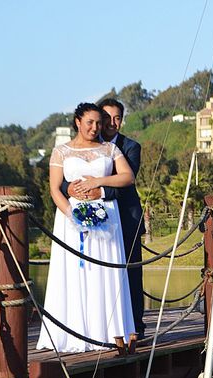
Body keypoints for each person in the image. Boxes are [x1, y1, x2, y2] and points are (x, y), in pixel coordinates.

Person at [36, 102, 136, 352]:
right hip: (72, 219)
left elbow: (127, 177)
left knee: (104, 271)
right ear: (77, 122)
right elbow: (54, 189)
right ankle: (74, 332)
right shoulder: (61, 151)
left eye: (98, 123)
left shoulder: (110, 149)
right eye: (90, 122)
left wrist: (98, 181)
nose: (95, 127)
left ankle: (107, 332)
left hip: (106, 216)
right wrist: (72, 216)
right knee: (77, 271)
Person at [62, 99, 145, 337]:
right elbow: (65, 178)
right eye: (106, 117)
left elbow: (127, 183)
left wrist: (100, 190)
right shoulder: (76, 147)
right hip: (85, 219)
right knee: (90, 272)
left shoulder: (129, 147)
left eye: (116, 118)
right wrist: (71, 189)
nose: (111, 123)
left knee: (129, 274)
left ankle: (134, 327)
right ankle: (91, 326)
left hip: (125, 219)